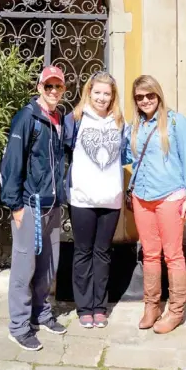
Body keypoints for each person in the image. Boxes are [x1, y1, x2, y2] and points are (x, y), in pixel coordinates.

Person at [123, 75, 186, 334]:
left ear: (158, 95)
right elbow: (126, 155)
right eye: (139, 97)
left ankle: (176, 310)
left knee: (173, 255)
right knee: (150, 254)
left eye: (149, 95)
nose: (145, 101)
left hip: (170, 196)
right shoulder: (134, 126)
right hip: (142, 197)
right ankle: (151, 306)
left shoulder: (175, 121)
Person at [0, 65, 67, 351]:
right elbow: (12, 162)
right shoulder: (26, 118)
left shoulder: (58, 118)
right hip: (29, 206)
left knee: (47, 268)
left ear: (63, 90)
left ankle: (41, 313)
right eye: (48, 86)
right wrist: (15, 205)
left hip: (52, 207)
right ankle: (18, 326)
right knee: (24, 268)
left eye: (58, 87)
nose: (53, 91)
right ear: (39, 87)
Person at [65, 71, 125, 329]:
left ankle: (100, 307)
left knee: (103, 254)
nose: (102, 97)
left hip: (111, 200)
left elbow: (127, 155)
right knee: (82, 253)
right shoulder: (75, 120)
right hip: (82, 199)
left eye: (107, 93)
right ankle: (84, 307)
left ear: (113, 97)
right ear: (89, 92)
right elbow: (65, 153)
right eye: (97, 92)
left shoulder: (120, 122)